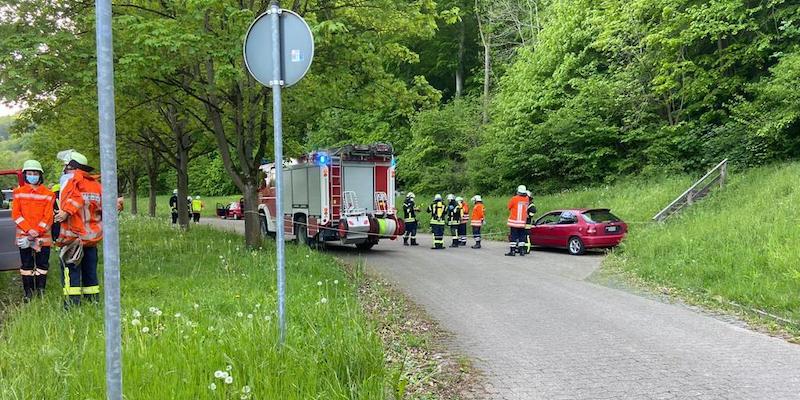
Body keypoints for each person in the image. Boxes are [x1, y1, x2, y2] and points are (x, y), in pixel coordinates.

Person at [54, 151, 103, 306]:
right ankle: (93, 301)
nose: (63, 169)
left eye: (64, 165)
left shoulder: (71, 180)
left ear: (70, 166)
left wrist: (65, 212)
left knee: (70, 271)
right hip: (91, 238)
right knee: (90, 272)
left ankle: (72, 304)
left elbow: (75, 199)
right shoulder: (95, 184)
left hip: (73, 237)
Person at [12, 160, 55, 301]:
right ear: (25, 175)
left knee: (42, 265)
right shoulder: (18, 192)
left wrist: (37, 230)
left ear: (40, 175)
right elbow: (16, 215)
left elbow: (48, 216)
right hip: (25, 236)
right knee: (26, 265)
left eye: (35, 173)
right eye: (29, 173)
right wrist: (29, 230)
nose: (32, 176)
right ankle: (28, 293)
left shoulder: (49, 194)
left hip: (42, 237)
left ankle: (40, 290)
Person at [506, 185, 529, 256]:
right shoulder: (527, 199)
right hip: (522, 221)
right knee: (521, 236)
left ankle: (512, 251)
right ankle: (521, 251)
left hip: (514, 221)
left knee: (513, 236)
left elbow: (509, 207)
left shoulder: (514, 198)